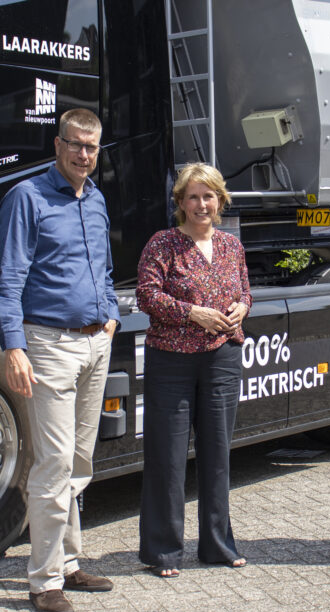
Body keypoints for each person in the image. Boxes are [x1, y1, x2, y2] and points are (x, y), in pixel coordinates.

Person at [0, 108, 119, 612]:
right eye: (76, 145)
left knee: (80, 463)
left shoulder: (98, 199)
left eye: (92, 147)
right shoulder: (27, 198)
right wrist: (14, 347)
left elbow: (105, 268)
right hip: (48, 346)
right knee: (54, 464)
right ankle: (43, 581)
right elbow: (8, 281)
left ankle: (67, 562)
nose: (84, 154)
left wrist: (109, 315)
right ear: (57, 143)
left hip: (95, 343)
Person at [136, 163, 252, 578]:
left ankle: (218, 545)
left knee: (217, 454)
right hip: (172, 360)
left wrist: (242, 308)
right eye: (193, 197)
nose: (201, 204)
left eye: (209, 196)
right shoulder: (163, 243)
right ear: (180, 202)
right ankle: (163, 552)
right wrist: (192, 314)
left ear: (220, 200)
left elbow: (244, 291)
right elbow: (146, 295)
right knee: (167, 457)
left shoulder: (230, 245)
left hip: (222, 358)